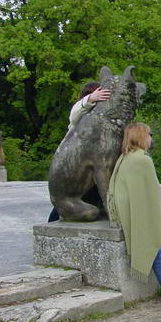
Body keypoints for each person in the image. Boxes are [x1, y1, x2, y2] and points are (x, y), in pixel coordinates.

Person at [107, 122, 161, 307]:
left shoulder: (127, 157)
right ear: (140, 137)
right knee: (157, 254)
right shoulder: (141, 160)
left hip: (139, 211)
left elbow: (146, 194)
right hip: (138, 215)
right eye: (149, 134)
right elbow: (149, 195)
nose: (151, 138)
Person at [47, 81, 112, 222]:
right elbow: (74, 114)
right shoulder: (81, 113)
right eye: (97, 94)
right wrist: (89, 99)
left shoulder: (101, 117)